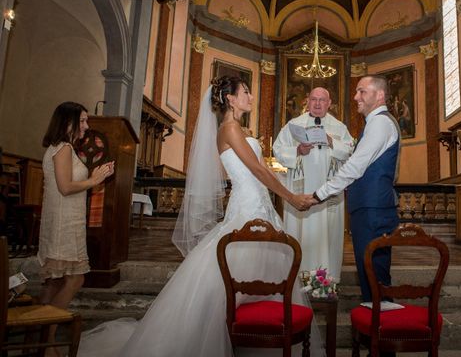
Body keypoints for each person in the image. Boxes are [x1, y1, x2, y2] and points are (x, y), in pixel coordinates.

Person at [78, 76, 319, 357]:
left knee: (259, 274)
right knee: (235, 277)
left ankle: (253, 340)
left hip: (258, 205)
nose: (251, 97)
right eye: (245, 92)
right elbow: (258, 170)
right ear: (230, 98)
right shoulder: (229, 128)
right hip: (248, 208)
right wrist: (291, 198)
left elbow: (259, 171)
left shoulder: (236, 129)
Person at [308, 75, 400, 303]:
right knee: (370, 272)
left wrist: (318, 194)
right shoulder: (377, 123)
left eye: (362, 92)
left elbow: (355, 167)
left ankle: (378, 327)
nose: (356, 96)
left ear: (379, 95)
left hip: (373, 208)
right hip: (371, 206)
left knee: (373, 273)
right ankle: (375, 325)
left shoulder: (380, 123)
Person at [38, 102, 114, 356]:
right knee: (75, 278)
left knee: (53, 284)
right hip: (63, 224)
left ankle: (40, 339)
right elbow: (66, 187)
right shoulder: (64, 148)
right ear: (67, 122)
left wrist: (95, 177)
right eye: (82, 121)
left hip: (62, 220)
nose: (86, 126)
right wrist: (95, 179)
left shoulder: (61, 148)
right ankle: (47, 341)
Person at [273, 87, 353, 280]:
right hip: (302, 191)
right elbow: (277, 149)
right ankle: (297, 279)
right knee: (300, 233)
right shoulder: (294, 125)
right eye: (314, 100)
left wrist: (331, 141)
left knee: (328, 234)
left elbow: (351, 150)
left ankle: (327, 280)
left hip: (328, 193)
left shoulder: (339, 127)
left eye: (322, 100)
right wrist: (298, 151)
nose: (317, 104)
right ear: (307, 102)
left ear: (329, 103)